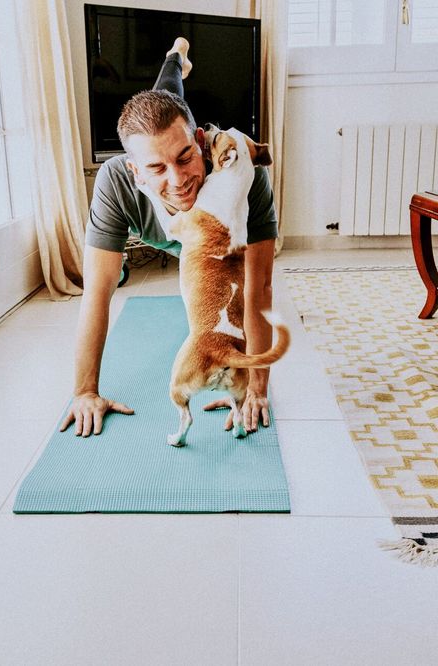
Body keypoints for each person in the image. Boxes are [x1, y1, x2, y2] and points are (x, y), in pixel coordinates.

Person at [60, 37, 278, 438]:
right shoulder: (115, 181)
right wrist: (85, 391)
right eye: (156, 168)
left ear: (199, 142)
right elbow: (98, 290)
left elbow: (259, 287)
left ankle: (176, 63)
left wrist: (255, 387)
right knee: (167, 85)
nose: (178, 182)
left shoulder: (241, 174)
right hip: (183, 239)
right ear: (135, 171)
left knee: (168, 97)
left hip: (218, 242)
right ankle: (176, 57)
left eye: (184, 158)